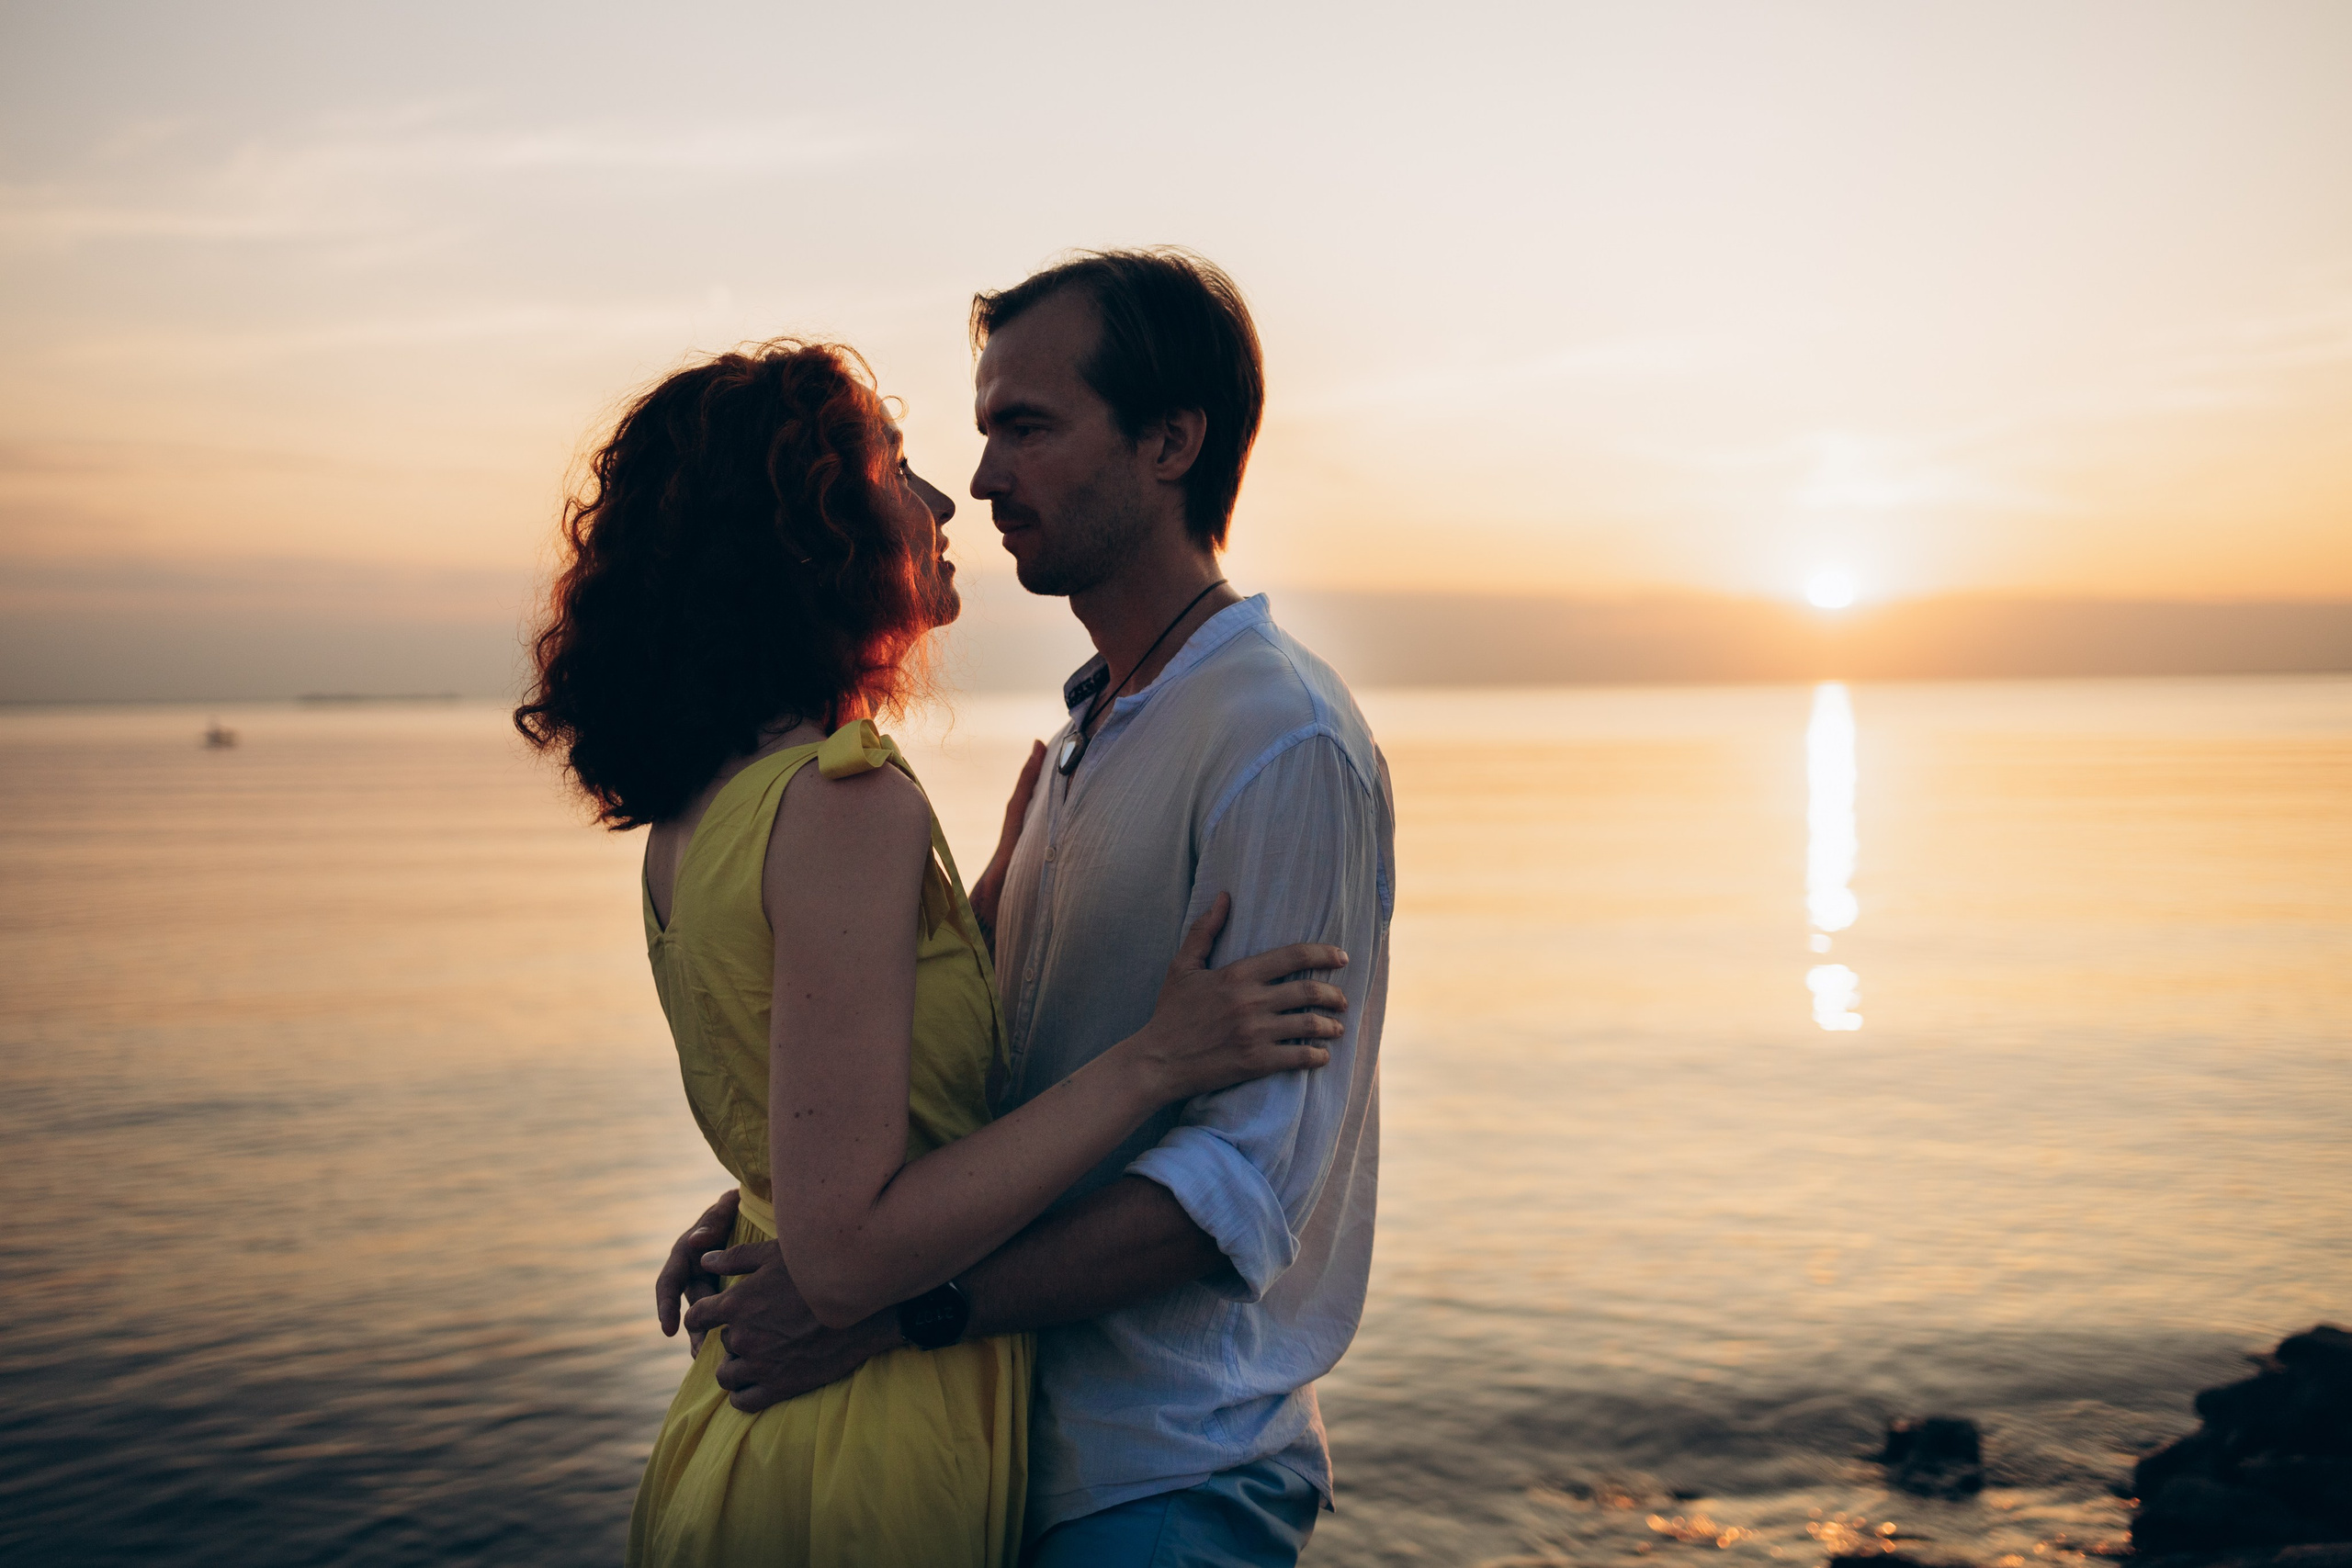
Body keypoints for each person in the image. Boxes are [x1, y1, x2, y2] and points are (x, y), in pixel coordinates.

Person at [514, 338, 1351, 1568]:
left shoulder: (701, 817)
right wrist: (1153, 1063)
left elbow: (831, 1097)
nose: (946, 496)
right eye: (896, 466)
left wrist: (1005, 883)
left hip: (758, 1437)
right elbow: (851, 1251)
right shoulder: (846, 800)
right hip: (865, 1451)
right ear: (814, 532)